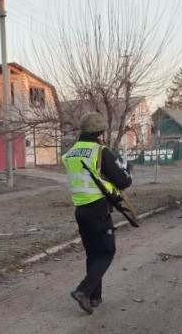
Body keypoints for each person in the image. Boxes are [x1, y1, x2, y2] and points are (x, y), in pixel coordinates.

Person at [61, 112, 132, 315]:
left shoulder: (70, 152)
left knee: (93, 253)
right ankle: (83, 291)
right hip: (98, 209)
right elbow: (123, 181)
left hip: (80, 210)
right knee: (107, 252)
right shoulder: (100, 151)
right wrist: (126, 171)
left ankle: (94, 297)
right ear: (100, 132)